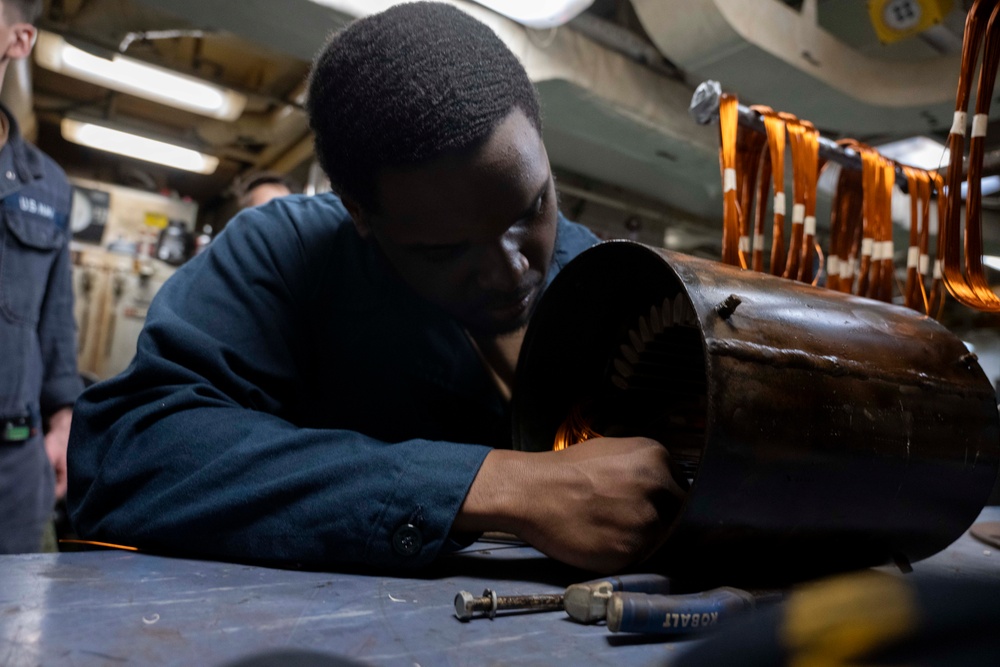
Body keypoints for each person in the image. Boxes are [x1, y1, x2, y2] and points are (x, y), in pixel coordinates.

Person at [67, 2, 679, 573]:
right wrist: (493, 484)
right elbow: (128, 457)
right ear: (360, 213)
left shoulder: (612, 282)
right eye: (445, 249)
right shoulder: (285, 255)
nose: (512, 269)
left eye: (531, 208)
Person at [0, 0, 83, 553]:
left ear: (19, 40)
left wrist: (63, 421)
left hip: (12, 463)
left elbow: (55, 321)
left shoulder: (46, 185)